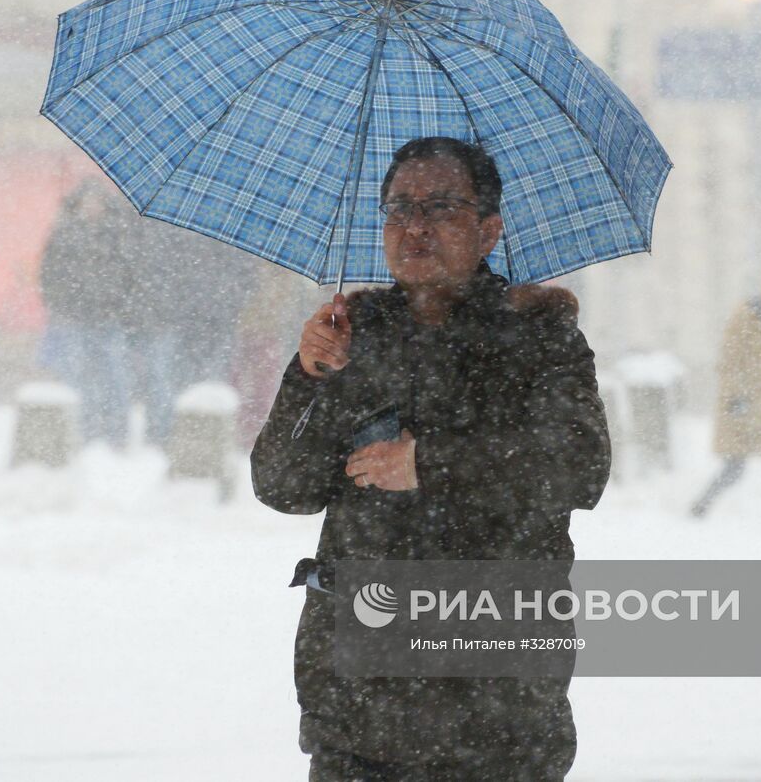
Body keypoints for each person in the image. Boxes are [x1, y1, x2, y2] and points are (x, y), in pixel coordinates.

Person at [251, 137, 611, 780]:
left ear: (488, 230)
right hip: (360, 700)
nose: (414, 226)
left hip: (496, 695)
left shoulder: (538, 334)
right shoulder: (351, 335)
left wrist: (432, 462)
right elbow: (282, 485)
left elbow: (579, 466)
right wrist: (307, 375)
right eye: (397, 209)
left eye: (442, 207)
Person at [690, 269, 761, 527]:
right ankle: (699, 507)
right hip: (742, 405)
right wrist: (735, 396)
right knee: (734, 468)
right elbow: (729, 361)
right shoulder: (744, 320)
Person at [38, 181, 133, 444]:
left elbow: (129, 275)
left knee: (114, 379)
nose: (92, 207)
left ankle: (116, 434)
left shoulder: (116, 234)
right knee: (77, 378)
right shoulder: (64, 235)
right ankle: (81, 431)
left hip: (108, 318)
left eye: (97, 201)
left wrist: (119, 305)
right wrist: (61, 304)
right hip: (74, 319)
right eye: (88, 201)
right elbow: (49, 274)